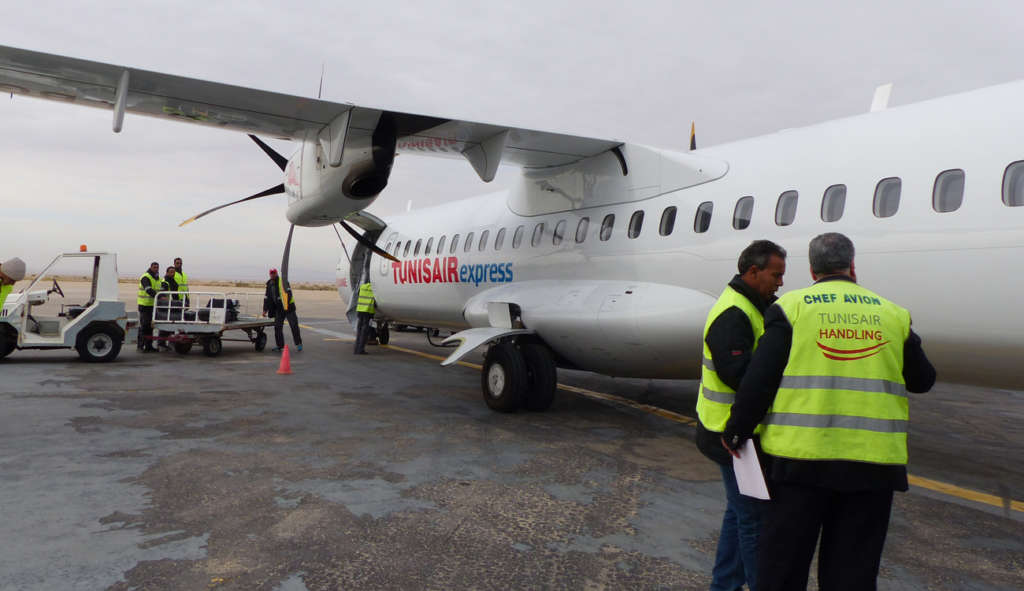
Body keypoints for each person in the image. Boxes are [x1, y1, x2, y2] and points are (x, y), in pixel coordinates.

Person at [722, 233, 936, 591]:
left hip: (800, 466)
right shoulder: (892, 314)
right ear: (852, 266)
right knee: (851, 575)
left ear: (811, 269)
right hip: (873, 470)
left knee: (783, 569)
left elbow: (760, 380)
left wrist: (737, 430)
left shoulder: (792, 309)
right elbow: (923, 380)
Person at [696, 239, 786, 591]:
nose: (780, 282)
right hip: (730, 436)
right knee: (754, 521)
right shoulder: (733, 314)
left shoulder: (758, 305)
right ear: (753, 271)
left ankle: (724, 585)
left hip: (737, 433)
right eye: (775, 275)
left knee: (739, 515)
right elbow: (738, 374)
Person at [264, 268, 302, 352]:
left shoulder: (283, 281)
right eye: (271, 273)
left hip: (289, 308)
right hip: (279, 309)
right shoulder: (269, 284)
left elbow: (289, 293)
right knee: (277, 327)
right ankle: (280, 346)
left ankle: (299, 343)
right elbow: (267, 298)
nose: (272, 274)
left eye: (274, 273)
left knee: (294, 326)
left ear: (277, 273)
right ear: (269, 274)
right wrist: (265, 309)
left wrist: (284, 303)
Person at [137, 261, 164, 352]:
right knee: (144, 326)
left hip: (153, 306)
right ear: (151, 267)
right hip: (145, 305)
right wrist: (159, 297)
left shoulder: (158, 279)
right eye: (154, 267)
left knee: (151, 327)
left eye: (157, 267)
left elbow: (161, 290)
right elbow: (148, 290)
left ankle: (149, 346)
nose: (156, 269)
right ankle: (141, 345)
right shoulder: (145, 277)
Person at [156, 266, 179, 350]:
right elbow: (162, 295)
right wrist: (168, 303)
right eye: (171, 272)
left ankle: (170, 342)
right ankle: (161, 344)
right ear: (167, 272)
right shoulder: (165, 282)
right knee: (165, 325)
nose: (173, 273)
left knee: (172, 324)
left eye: (174, 272)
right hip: (167, 306)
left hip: (173, 305)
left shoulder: (172, 280)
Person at [353, 279, 376, 355]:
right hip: (368, 312)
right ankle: (361, 349)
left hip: (360, 311)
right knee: (364, 331)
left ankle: (356, 349)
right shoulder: (374, 288)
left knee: (359, 331)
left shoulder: (362, 287)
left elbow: (358, 295)